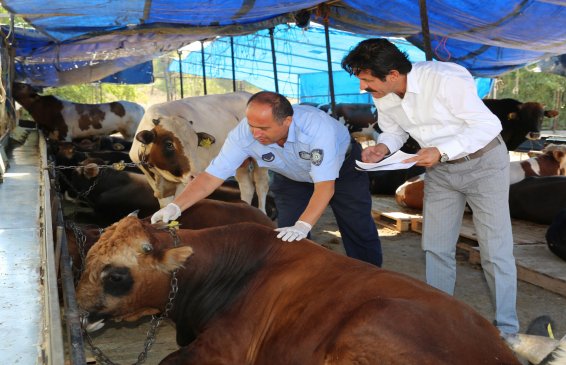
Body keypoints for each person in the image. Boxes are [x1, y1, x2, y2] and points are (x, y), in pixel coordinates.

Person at [341, 38, 519, 335]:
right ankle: (439, 320)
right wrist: (382, 148)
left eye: (367, 81)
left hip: (484, 163)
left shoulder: (445, 80)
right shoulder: (383, 94)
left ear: (393, 74)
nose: (363, 88)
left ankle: (508, 330)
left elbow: (488, 126)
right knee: (435, 247)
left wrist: (442, 150)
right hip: (439, 169)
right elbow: (395, 131)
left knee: (494, 250)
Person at [150, 91, 383, 267]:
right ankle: (301, 283)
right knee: (289, 235)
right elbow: (211, 176)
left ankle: (371, 279)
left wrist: (305, 224)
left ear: (287, 122)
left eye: (263, 128)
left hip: (342, 172)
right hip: (291, 177)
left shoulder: (317, 129)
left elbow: (325, 187)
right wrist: (175, 207)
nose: (255, 134)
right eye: (251, 125)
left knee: (357, 227)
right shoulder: (244, 133)